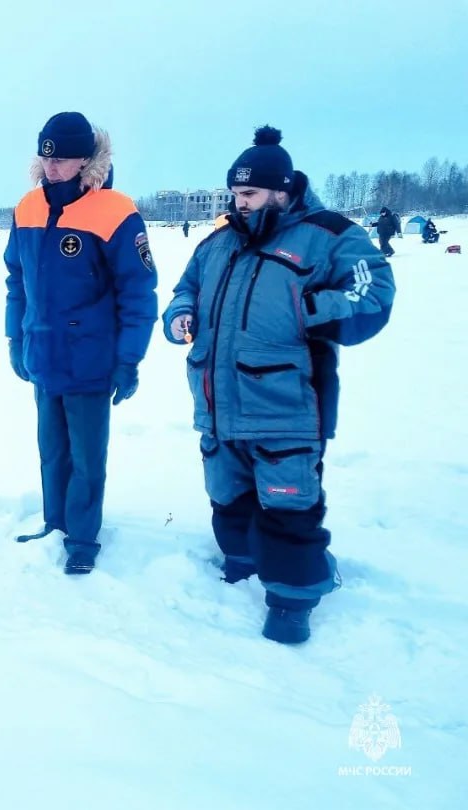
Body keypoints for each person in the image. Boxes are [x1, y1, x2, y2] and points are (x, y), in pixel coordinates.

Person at [162, 126, 395, 644]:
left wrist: (306, 308)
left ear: (282, 192)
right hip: (218, 404)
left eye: (249, 193)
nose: (238, 203)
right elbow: (186, 288)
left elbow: (374, 293)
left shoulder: (329, 234)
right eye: (235, 193)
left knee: (289, 508)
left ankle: (293, 603)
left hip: (286, 406)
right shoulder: (217, 242)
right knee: (227, 498)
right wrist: (179, 314)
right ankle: (242, 566)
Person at [4, 111, 158, 574]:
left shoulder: (115, 211)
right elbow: (17, 280)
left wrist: (129, 359)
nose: (51, 167)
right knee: (52, 451)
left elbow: (138, 292)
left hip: (91, 359)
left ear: (86, 160)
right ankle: (55, 524)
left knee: (87, 458)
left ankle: (83, 539)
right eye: (46, 157)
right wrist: (15, 336)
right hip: (42, 354)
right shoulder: (27, 208)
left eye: (62, 159)